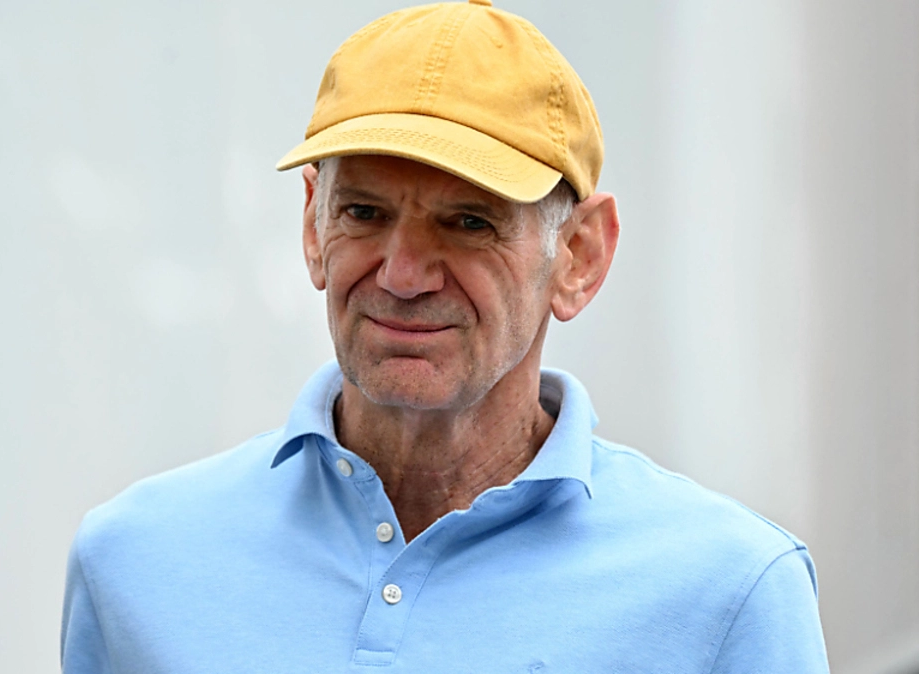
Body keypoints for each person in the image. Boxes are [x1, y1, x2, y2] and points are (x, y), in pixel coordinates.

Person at [61, 1, 830, 671]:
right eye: (364, 212)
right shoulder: (136, 563)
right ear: (313, 226)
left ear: (579, 257)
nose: (402, 274)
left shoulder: (730, 592)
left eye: (468, 222)